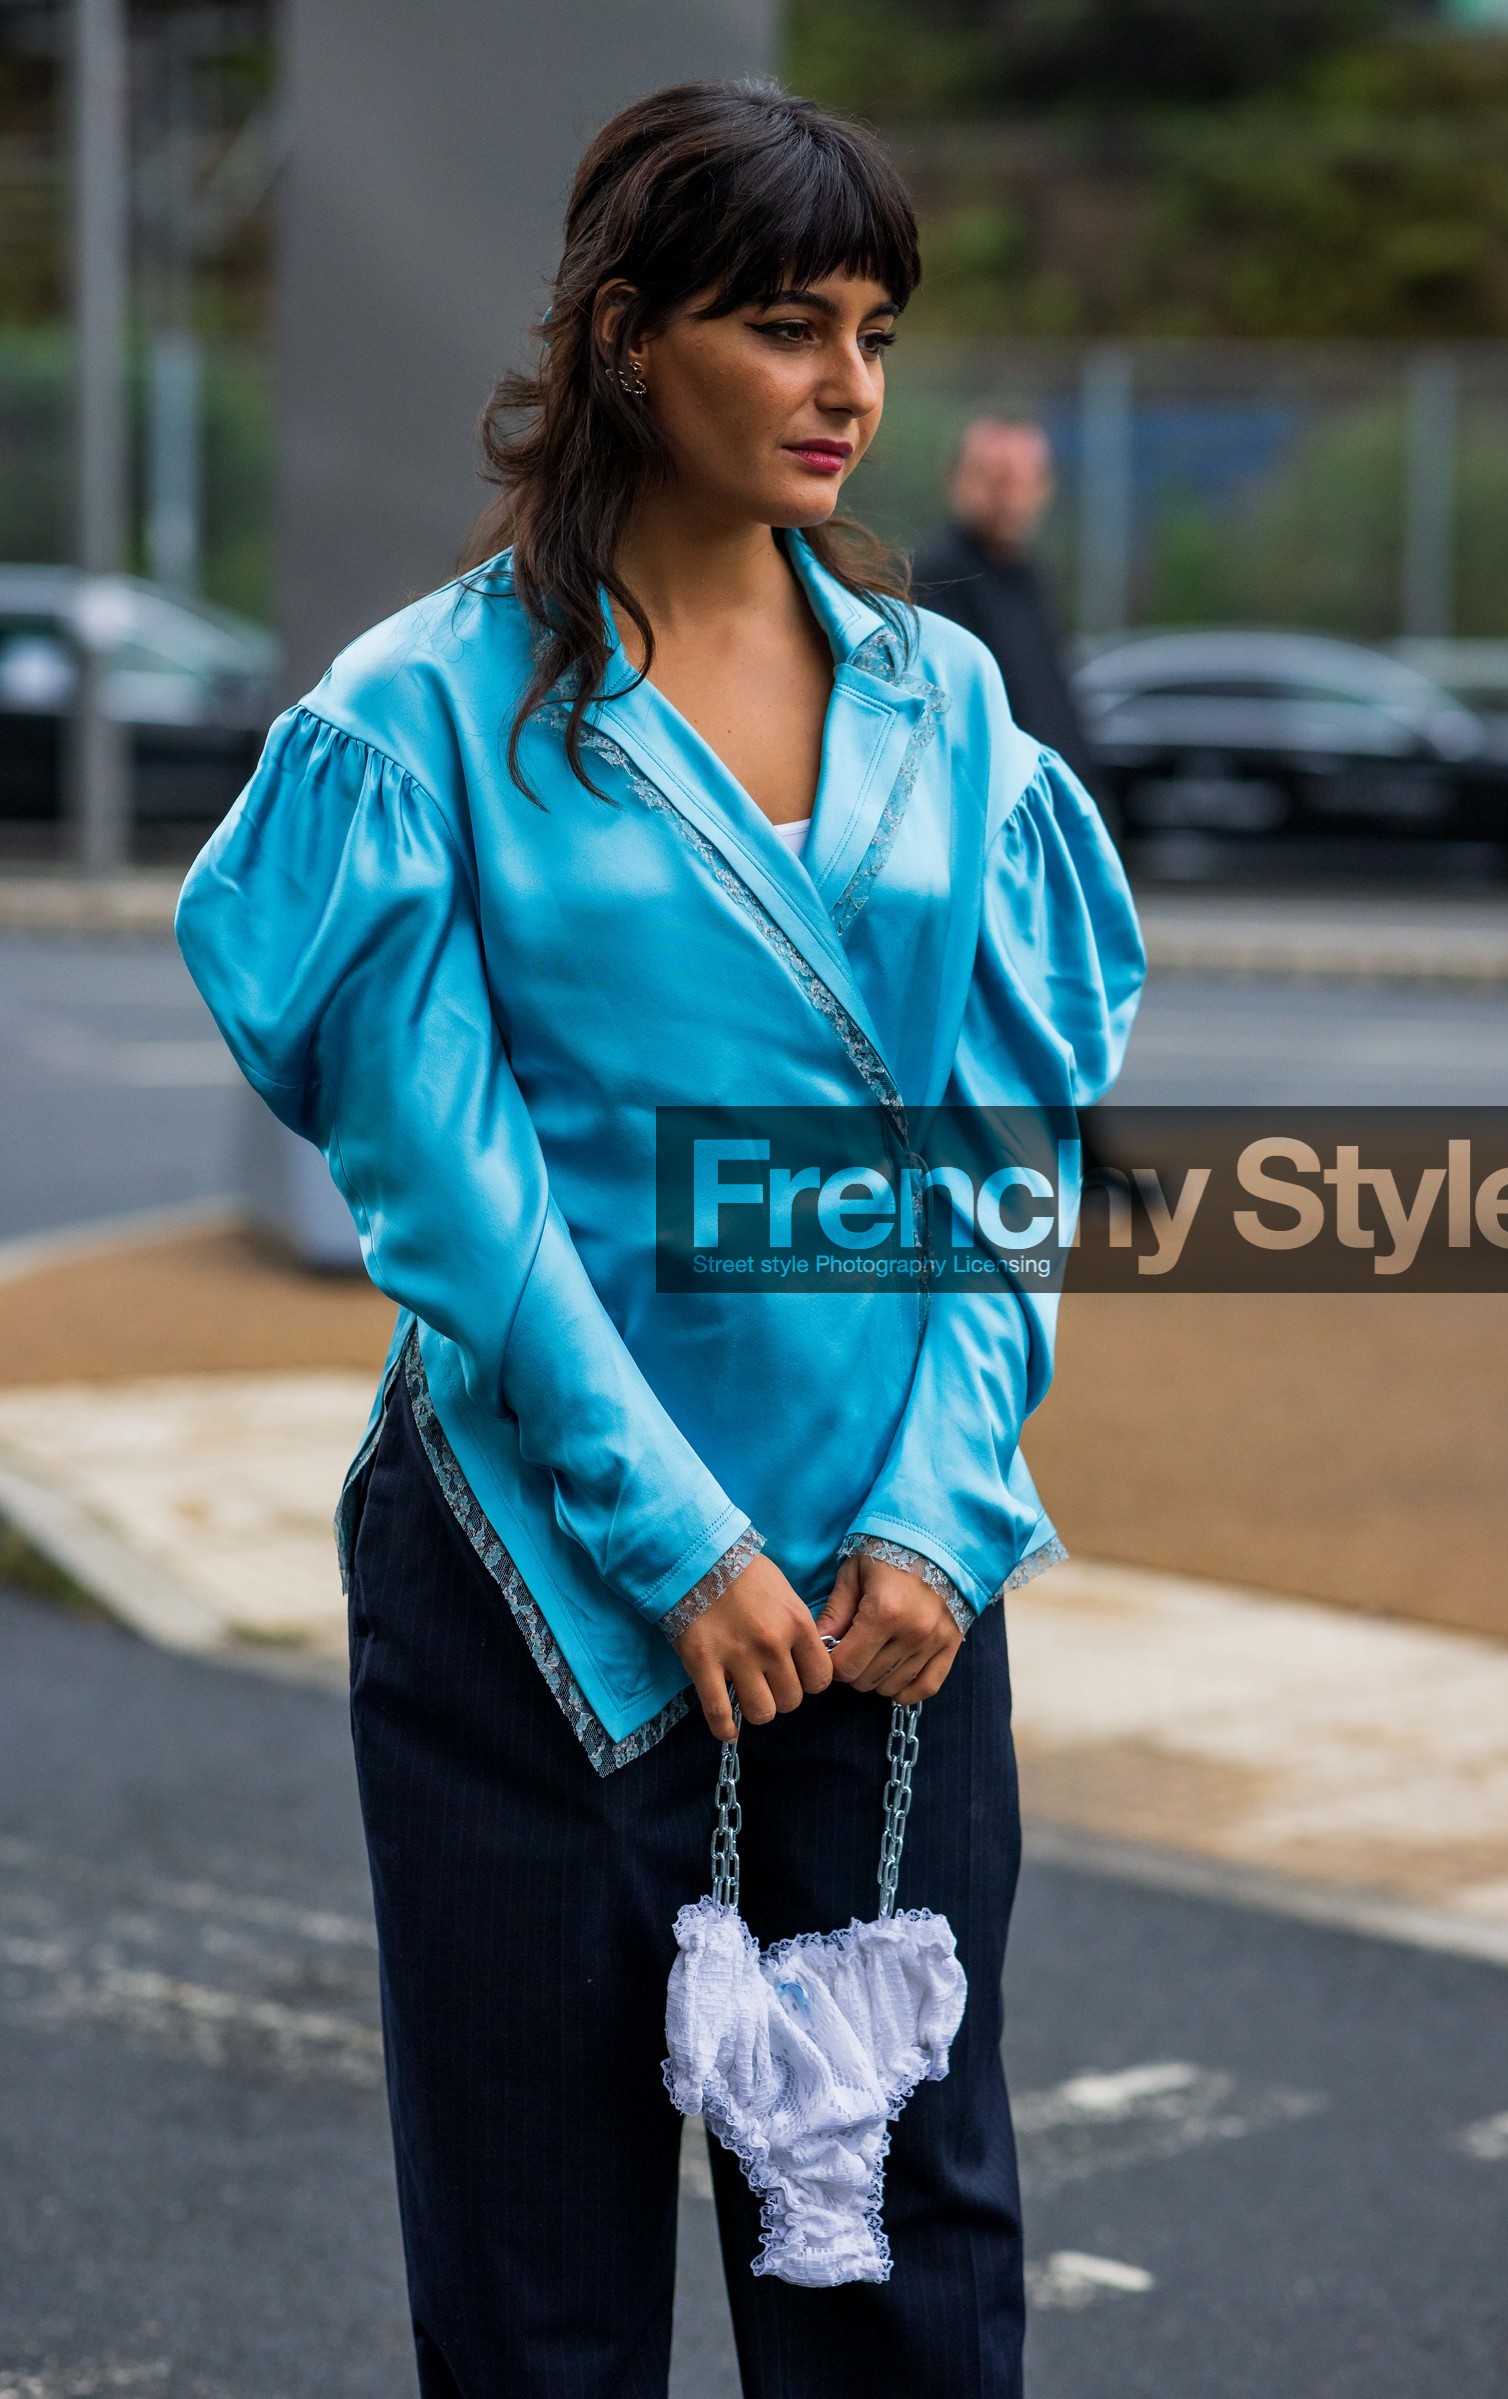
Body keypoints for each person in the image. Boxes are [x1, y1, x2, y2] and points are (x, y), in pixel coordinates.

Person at [176, 79, 1143, 2399]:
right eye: (783, 324)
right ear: (624, 336)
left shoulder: (949, 707)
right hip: (541, 1573)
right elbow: (451, 1191)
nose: (846, 388)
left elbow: (1009, 1150)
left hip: (887, 1592)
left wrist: (938, 1503)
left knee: (898, 2263)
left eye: (874, 332)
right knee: (537, 2277)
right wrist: (675, 1534)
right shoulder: (417, 716)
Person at [912, 417, 1103, 796]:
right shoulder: (932, 582)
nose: (1010, 496)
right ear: (956, 481)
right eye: (995, 478)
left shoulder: (1034, 580)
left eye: (1024, 479)